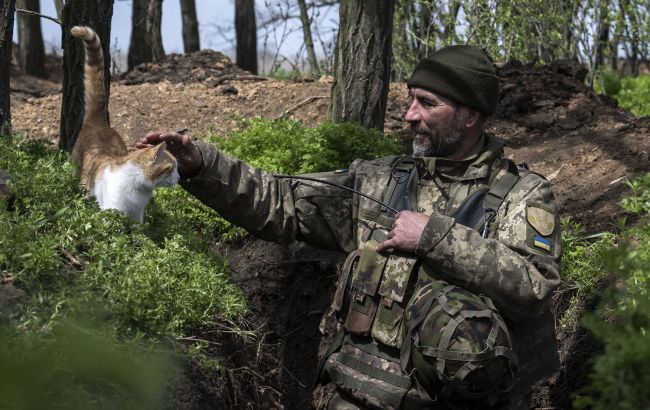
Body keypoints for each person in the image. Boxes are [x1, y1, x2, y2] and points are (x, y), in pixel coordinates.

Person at [137, 45, 561, 409]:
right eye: (410, 99)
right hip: (353, 396)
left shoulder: (521, 195)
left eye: (427, 103)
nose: (409, 115)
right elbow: (282, 201)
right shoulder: (378, 179)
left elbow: (535, 285)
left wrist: (435, 237)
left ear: (470, 115)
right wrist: (203, 165)